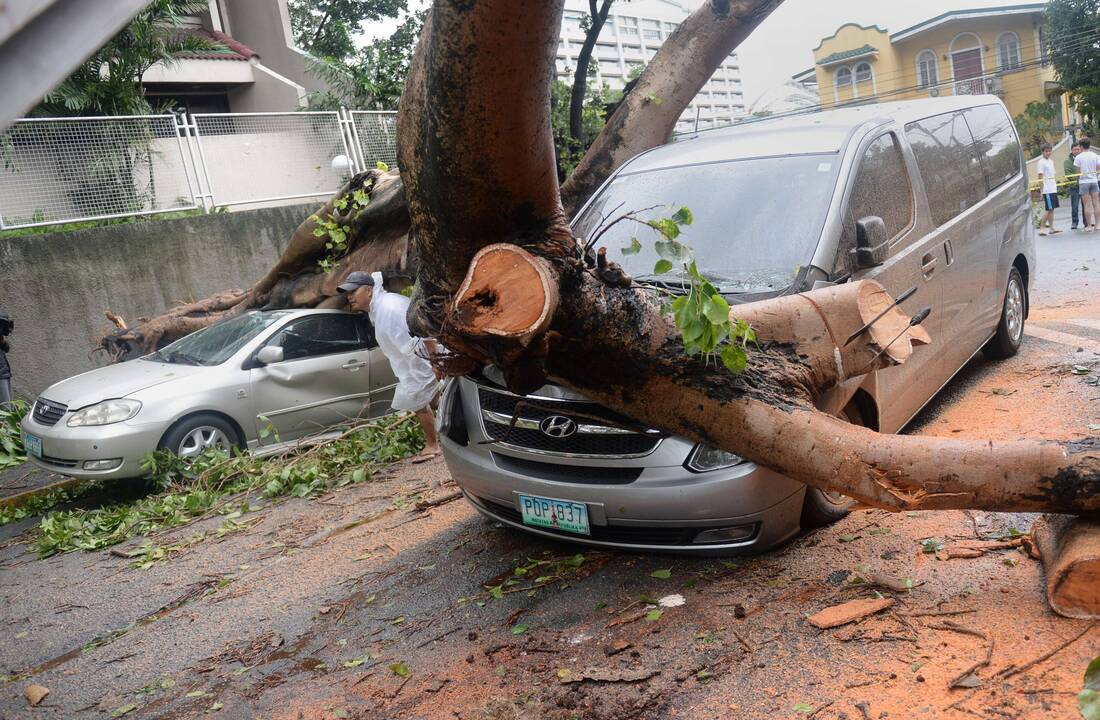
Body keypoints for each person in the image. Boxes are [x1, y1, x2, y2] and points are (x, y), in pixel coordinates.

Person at [337, 271, 442, 461]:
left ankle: (433, 445)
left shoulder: (389, 307)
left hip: (420, 360)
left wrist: (435, 360)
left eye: (353, 291)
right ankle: (458, 434)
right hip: (412, 363)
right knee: (434, 401)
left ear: (368, 290)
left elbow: (423, 328)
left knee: (420, 402)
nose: (349, 297)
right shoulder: (377, 309)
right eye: (347, 293)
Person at [1075, 137, 1100, 232]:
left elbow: (1077, 172)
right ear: (1089, 145)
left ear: (1081, 146)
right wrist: (1094, 176)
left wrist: (1078, 181)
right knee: (1096, 203)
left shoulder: (1078, 157)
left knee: (1086, 204)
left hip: (1084, 182)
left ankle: (1089, 226)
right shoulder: (1095, 155)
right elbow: (1098, 169)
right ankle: (1097, 225)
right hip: (1094, 181)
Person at [1036, 144, 1060, 236]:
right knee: (1048, 209)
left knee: (1052, 209)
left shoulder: (1051, 161)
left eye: (1050, 151)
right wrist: (1041, 191)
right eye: (1046, 151)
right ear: (1042, 152)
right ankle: (1041, 228)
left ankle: (1052, 228)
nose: (1048, 153)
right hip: (1047, 190)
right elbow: (1040, 177)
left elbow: (1052, 175)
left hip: (1053, 188)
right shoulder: (1041, 162)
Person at [1066, 141, 1083, 229]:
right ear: (1071, 150)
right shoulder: (1067, 161)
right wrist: (1077, 180)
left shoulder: (1083, 158)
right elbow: (1068, 174)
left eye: (1078, 149)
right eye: (1075, 149)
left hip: (1084, 185)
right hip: (1074, 187)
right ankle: (1074, 223)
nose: (1077, 151)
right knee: (1075, 206)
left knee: (1086, 205)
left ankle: (1086, 222)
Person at [0, 313, 11, 407]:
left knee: (8, 404)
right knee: (6, 407)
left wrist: (2, 341)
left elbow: (6, 349)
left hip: (5, 373)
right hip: (1, 375)